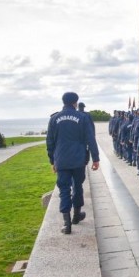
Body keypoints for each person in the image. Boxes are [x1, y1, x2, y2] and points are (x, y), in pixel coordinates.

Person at [47, 92, 100, 235]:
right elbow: (90, 139)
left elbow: (50, 142)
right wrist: (96, 158)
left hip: (62, 160)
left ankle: (67, 223)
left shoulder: (54, 119)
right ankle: (76, 215)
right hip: (78, 159)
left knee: (64, 189)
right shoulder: (82, 117)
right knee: (77, 186)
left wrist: (52, 160)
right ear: (75, 102)